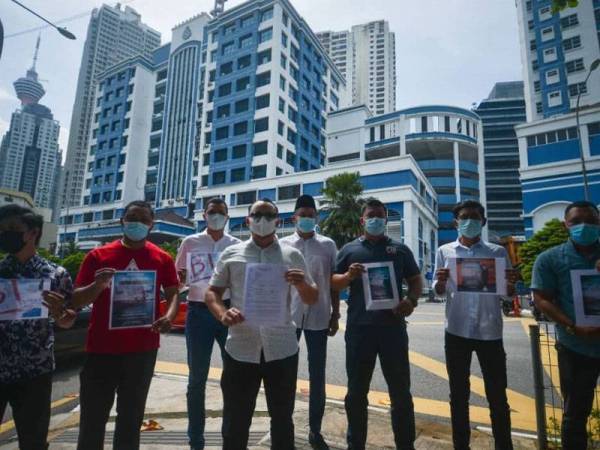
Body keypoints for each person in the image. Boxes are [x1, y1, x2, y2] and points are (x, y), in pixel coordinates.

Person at [205, 199, 318, 450]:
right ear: (248, 219)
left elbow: (312, 297)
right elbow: (212, 293)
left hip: (282, 349)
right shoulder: (231, 253)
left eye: (269, 215)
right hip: (240, 349)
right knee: (235, 420)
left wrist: (301, 284)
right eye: (257, 214)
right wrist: (222, 313)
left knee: (281, 420)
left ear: (278, 221)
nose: (263, 220)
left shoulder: (292, 255)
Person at [71, 200, 180, 450]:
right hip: (101, 350)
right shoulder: (97, 256)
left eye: (143, 219)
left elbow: (173, 292)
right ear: (122, 221)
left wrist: (169, 316)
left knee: (131, 418)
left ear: (151, 225)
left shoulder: (161, 258)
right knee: (92, 418)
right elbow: (76, 300)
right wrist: (97, 286)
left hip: (142, 350)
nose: (137, 223)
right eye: (132, 218)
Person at [331, 197, 423, 450]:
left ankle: (405, 444)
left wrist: (412, 300)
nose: (376, 219)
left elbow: (416, 279)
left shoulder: (400, 250)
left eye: (380, 216)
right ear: (362, 220)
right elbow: (333, 283)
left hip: (393, 330)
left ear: (385, 219)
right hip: (360, 331)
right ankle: (355, 444)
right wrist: (348, 276)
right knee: (356, 392)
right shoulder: (348, 250)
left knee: (401, 393)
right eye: (371, 215)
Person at [433, 200, 518, 450]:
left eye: (474, 217)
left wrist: (511, 286)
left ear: (483, 221)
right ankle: (461, 445)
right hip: (456, 331)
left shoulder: (497, 252)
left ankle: (504, 445)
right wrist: (439, 282)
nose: (469, 221)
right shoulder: (444, 251)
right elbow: (440, 293)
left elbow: (507, 295)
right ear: (456, 222)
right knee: (458, 396)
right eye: (464, 217)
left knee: (497, 396)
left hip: (490, 331)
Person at [0, 204, 76, 450]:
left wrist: (59, 312)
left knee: (33, 442)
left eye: (13, 229)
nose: (5, 234)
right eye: (2, 230)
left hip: (35, 370)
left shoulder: (55, 274)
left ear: (33, 233)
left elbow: (67, 321)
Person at [531, 201, 600, 450]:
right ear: (565, 226)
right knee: (575, 415)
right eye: (577, 222)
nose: (584, 226)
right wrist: (572, 325)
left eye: (591, 221)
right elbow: (541, 299)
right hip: (576, 347)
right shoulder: (549, 259)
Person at [175, 198, 240, 450]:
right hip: (198, 312)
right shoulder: (190, 243)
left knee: (234, 376)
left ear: (227, 217)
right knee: (196, 379)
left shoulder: (236, 244)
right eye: (212, 212)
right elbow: (178, 282)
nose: (216, 216)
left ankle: (231, 436)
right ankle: (196, 440)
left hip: (227, 310)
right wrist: (180, 279)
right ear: (204, 215)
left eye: (220, 213)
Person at [280, 194, 339, 450]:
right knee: (284, 374)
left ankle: (315, 430)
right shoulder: (281, 244)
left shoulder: (328, 245)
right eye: (302, 215)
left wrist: (336, 314)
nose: (306, 219)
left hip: (319, 315)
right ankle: (284, 427)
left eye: (310, 215)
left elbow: (334, 282)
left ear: (316, 217)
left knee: (318, 376)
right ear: (295, 217)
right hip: (288, 318)